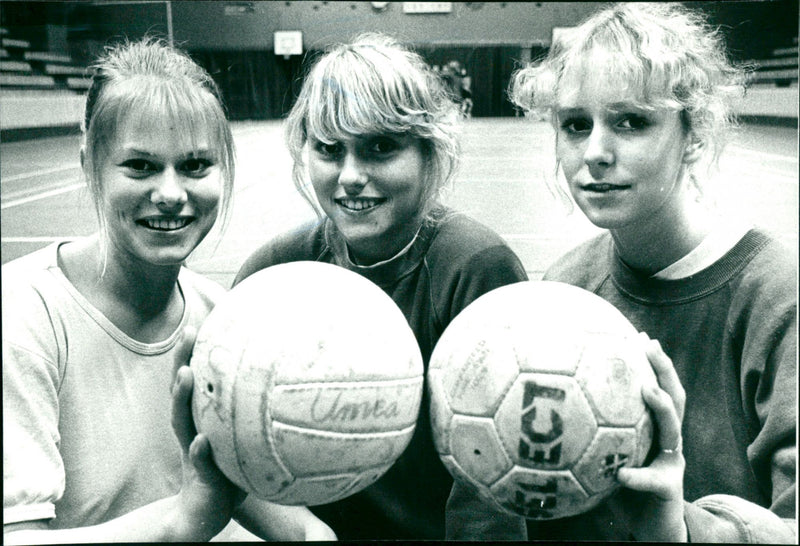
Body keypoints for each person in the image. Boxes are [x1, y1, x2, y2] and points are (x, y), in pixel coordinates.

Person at [452, 2, 797, 542]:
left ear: (696, 133)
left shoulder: (777, 299)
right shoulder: (563, 293)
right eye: (574, 125)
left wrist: (688, 528)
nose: (594, 152)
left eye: (631, 121)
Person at [2, 37, 334, 543]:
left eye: (196, 165)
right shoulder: (22, 317)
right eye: (140, 166)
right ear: (89, 161)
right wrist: (182, 520)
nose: (173, 193)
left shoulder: (222, 321)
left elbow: (265, 505)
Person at [234, 33, 529, 540]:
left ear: (428, 151)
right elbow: (233, 450)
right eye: (329, 150)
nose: (350, 175)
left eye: (380, 148)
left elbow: (493, 485)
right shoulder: (274, 274)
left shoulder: (475, 269)